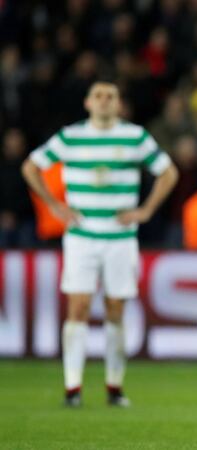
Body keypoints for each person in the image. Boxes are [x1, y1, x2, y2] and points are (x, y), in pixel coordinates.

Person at [21, 81, 179, 407]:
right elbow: (31, 166)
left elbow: (168, 173)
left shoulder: (135, 136)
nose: (105, 101)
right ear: (87, 103)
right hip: (81, 236)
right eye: (99, 96)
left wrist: (146, 209)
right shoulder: (70, 137)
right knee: (77, 307)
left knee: (115, 310)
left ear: (119, 104)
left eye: (111, 97)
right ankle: (73, 388)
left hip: (120, 238)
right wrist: (53, 204)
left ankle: (114, 387)